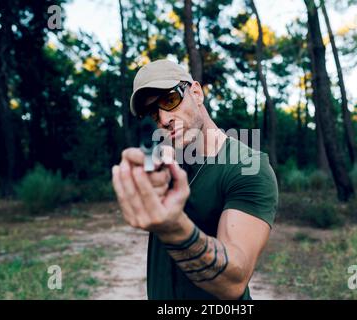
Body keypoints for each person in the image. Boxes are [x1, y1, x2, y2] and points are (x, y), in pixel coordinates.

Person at [111, 59, 278, 300]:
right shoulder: (166, 161)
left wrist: (173, 228)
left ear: (196, 93)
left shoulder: (248, 166)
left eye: (170, 100)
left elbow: (234, 282)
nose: (164, 119)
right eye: (153, 113)